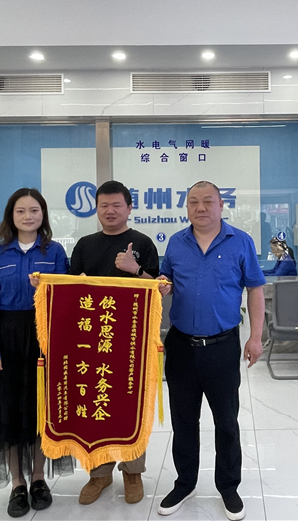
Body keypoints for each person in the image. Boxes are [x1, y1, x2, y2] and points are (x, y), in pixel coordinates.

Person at [156, 180, 265, 521]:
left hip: (222, 346)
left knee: (226, 421)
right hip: (181, 346)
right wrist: (159, 284)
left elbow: (256, 290)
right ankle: (185, 482)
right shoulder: (176, 243)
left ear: (221, 205)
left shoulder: (240, 242)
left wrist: (256, 337)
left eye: (207, 201)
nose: (200, 208)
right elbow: (165, 282)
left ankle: (228, 486)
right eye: (193, 202)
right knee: (183, 420)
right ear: (187, 207)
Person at [0, 188, 73, 518]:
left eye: (34, 210)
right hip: (8, 338)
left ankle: (39, 478)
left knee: (41, 410)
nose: (28, 216)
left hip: (45, 338)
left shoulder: (54, 252)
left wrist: (46, 290)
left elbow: (68, 300)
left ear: (43, 215)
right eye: (21, 211)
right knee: (9, 411)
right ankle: (17, 482)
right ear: (11, 216)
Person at [68, 180, 160, 507]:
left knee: (132, 405)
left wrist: (135, 270)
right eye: (104, 205)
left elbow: (159, 289)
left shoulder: (143, 243)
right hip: (92, 342)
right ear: (96, 209)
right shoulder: (84, 245)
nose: (110, 211)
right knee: (96, 406)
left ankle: (133, 472)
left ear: (129, 208)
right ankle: (99, 473)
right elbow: (71, 290)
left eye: (117, 205)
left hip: (133, 341)